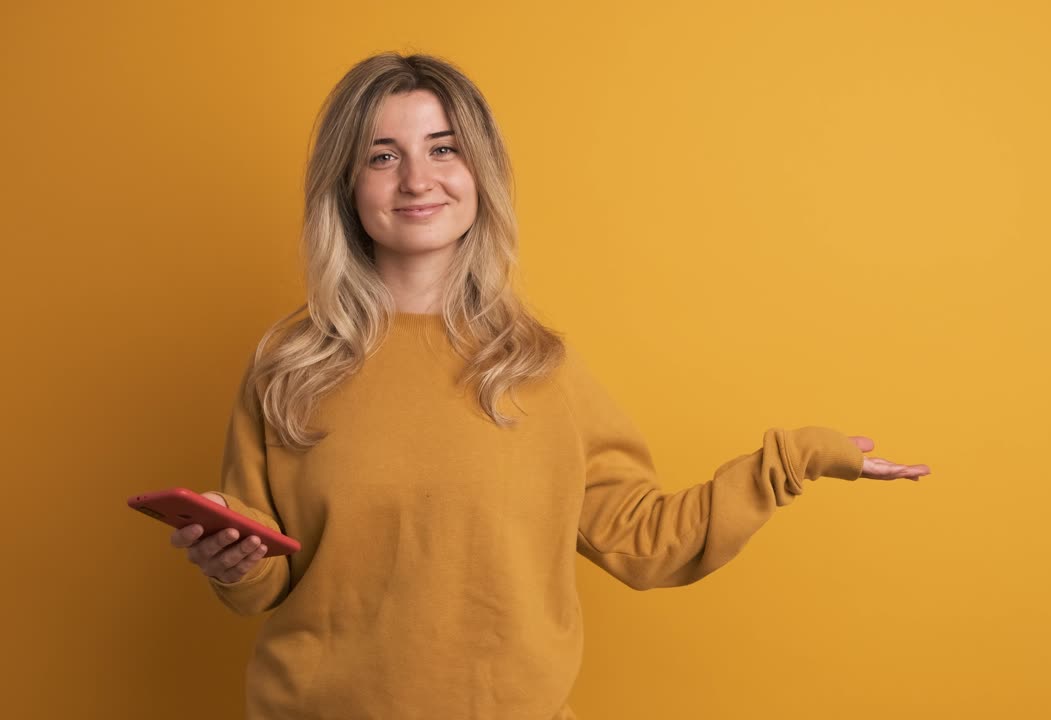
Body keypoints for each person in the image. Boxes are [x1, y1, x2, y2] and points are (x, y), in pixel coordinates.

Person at [169, 51, 931, 720]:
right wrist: (232, 561)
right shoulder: (291, 363)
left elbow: (649, 543)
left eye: (444, 148)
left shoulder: (537, 369)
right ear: (346, 183)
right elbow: (264, 580)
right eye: (381, 155)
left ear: (481, 173)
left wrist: (794, 459)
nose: (418, 179)